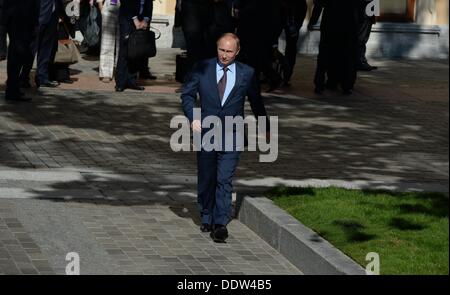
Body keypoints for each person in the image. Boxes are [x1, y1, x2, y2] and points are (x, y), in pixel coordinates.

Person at [181, 33, 270, 243]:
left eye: (229, 51)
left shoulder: (246, 73)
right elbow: (187, 94)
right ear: (217, 48)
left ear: (237, 52)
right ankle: (206, 215)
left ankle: (220, 223)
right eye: (221, 50)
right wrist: (193, 116)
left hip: (233, 132)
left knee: (224, 178)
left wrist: (265, 125)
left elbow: (256, 100)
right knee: (207, 177)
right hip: (207, 132)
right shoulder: (202, 67)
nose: (224, 55)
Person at [308, 0, 359, 95]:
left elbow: (319, 4)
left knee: (324, 56)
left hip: (330, 24)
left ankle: (320, 84)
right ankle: (346, 85)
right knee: (345, 57)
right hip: (347, 25)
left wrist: (312, 21)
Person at [1, 0, 39, 102]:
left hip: (20, 17)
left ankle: (13, 88)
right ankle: (12, 90)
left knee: (18, 55)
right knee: (17, 55)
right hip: (19, 18)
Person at [114, 0, 153, 92]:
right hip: (127, 19)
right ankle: (120, 82)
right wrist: (135, 19)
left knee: (136, 52)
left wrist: (146, 19)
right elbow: (126, 3)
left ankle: (132, 81)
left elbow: (149, 4)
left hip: (142, 19)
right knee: (124, 51)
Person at [36, 0, 65, 88]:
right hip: (38, 15)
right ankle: (22, 77)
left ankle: (42, 77)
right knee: (30, 48)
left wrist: (61, 13)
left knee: (46, 49)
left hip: (52, 16)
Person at [278, 0, 307, 86]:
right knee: (290, 49)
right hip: (290, 21)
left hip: (291, 21)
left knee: (290, 49)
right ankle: (285, 75)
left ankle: (285, 75)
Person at [98, 0, 120, 82]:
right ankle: (105, 73)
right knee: (106, 43)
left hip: (125, 8)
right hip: (109, 7)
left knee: (122, 44)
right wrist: (101, 7)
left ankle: (120, 72)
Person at [356, 0, 377, 71]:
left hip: (368, 7)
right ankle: (360, 62)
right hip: (364, 8)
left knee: (363, 37)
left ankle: (361, 61)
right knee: (361, 38)